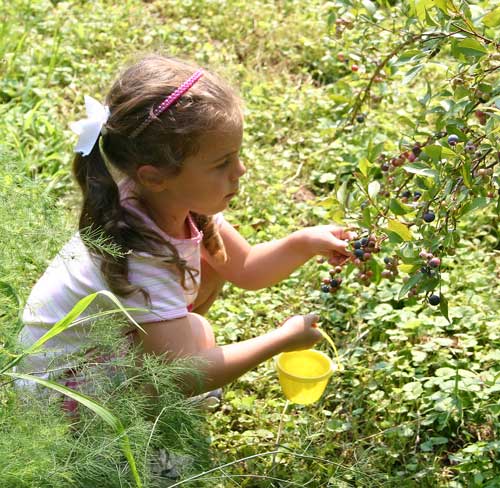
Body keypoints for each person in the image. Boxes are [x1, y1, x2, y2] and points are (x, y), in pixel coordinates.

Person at [18, 54, 354, 396]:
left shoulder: (172, 199)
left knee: (206, 295)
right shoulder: (140, 254)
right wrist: (281, 340)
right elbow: (178, 376)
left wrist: (306, 241)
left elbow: (247, 267)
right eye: (223, 163)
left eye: (237, 156)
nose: (240, 171)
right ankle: (148, 432)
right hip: (64, 393)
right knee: (191, 355)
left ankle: (167, 365)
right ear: (155, 176)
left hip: (98, 352)